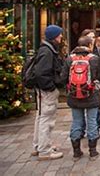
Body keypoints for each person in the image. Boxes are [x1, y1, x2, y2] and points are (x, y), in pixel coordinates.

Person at [62, 36, 100, 161]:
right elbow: (97, 75)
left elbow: (63, 77)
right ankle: (93, 151)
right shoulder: (94, 59)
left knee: (76, 122)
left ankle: (76, 151)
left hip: (74, 96)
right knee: (92, 122)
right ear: (89, 45)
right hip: (91, 95)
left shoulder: (70, 59)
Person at [32, 24, 65, 160]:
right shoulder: (47, 51)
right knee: (46, 119)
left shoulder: (46, 49)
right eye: (59, 34)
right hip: (46, 91)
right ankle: (45, 151)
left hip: (43, 90)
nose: (61, 36)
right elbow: (41, 73)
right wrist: (50, 87)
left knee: (41, 117)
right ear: (54, 36)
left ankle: (39, 145)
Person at [80, 29, 100, 138]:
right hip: (80, 87)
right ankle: (82, 132)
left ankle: (95, 131)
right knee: (80, 112)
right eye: (89, 37)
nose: (92, 39)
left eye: (93, 37)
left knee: (95, 111)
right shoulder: (76, 53)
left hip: (95, 86)